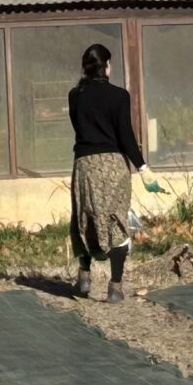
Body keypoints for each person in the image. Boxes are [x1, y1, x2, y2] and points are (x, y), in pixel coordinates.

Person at [67, 42, 144, 301]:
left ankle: (84, 275)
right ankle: (115, 286)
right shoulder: (120, 96)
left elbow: (79, 128)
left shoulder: (75, 96)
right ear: (107, 66)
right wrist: (142, 165)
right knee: (116, 220)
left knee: (85, 216)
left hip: (85, 165)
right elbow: (125, 135)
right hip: (113, 166)